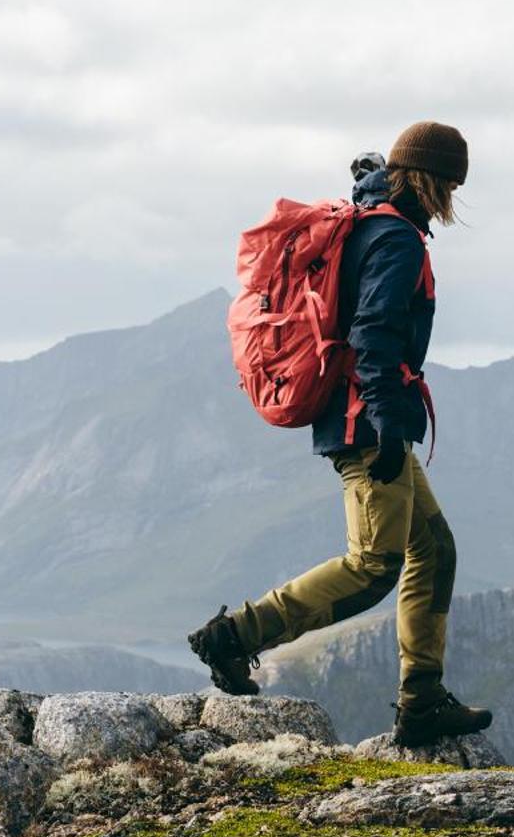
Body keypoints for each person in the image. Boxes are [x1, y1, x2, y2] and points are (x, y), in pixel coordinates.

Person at [189, 120, 493, 747]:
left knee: (434, 549)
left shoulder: (371, 218)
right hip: (368, 423)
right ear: (433, 182)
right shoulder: (398, 239)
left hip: (369, 418)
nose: (451, 202)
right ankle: (234, 637)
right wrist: (383, 424)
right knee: (372, 566)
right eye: (450, 186)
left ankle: (422, 699)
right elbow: (374, 334)